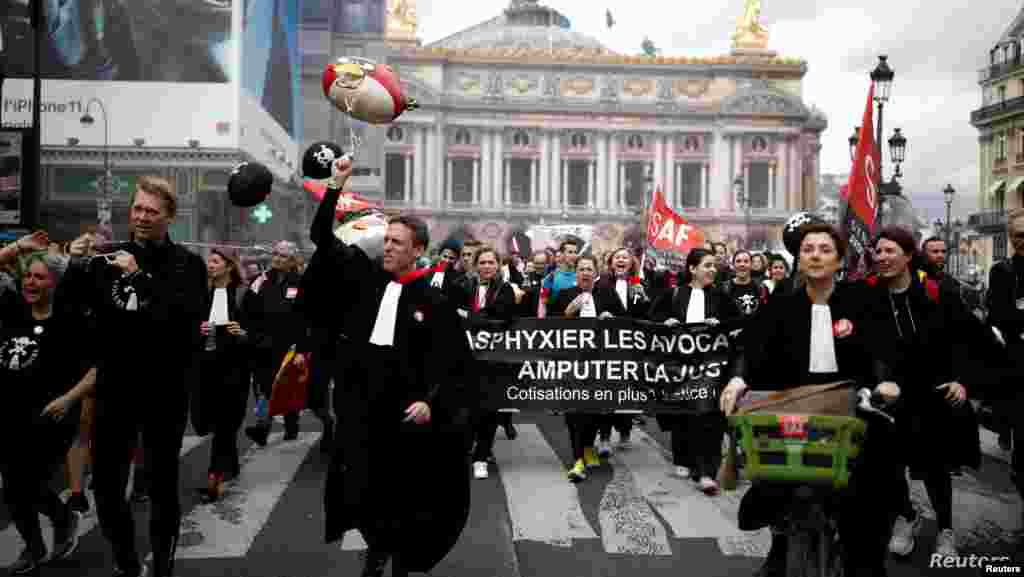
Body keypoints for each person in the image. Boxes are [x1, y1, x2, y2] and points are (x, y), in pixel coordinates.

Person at [304, 157, 473, 577]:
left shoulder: (435, 303)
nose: (389, 247)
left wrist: (431, 403)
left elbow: (454, 365)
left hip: (406, 414)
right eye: (388, 240)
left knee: (404, 495)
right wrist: (336, 186)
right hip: (363, 409)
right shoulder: (363, 277)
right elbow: (322, 236)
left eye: (398, 242)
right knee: (363, 490)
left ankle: (396, 558)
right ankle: (377, 546)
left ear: (417, 250)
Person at [720, 223, 899, 577]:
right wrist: (738, 379)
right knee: (770, 472)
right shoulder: (781, 305)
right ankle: (780, 541)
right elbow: (752, 346)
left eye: (825, 249)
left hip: (851, 405)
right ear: (798, 259)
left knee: (879, 479)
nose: (815, 255)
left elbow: (883, 347)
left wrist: (886, 382)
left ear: (839, 260)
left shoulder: (862, 299)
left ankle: (864, 555)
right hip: (793, 407)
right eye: (808, 249)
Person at [65, 175, 208, 577]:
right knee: (108, 490)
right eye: (137, 208)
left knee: (162, 485)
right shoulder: (107, 259)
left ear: (170, 217)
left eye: (151, 211)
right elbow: (71, 314)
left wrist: (137, 277)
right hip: (116, 388)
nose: (142, 217)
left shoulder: (188, 265)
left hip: (165, 389)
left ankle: (162, 562)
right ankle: (127, 561)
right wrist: (76, 265)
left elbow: (179, 324)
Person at [0, 234, 91, 575]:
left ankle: (63, 517)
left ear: (54, 283)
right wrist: (14, 250)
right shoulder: (11, 307)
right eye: (26, 276)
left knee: (33, 485)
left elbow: (98, 369)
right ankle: (35, 549)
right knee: (12, 488)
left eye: (39, 277)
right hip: (10, 414)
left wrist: (68, 399)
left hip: (52, 416)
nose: (31, 282)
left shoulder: (70, 319)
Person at [648, 248, 740, 495]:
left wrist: (720, 325)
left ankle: (707, 472)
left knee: (709, 417)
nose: (713, 270)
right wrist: (664, 323)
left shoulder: (721, 297)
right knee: (683, 413)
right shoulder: (674, 294)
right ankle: (682, 459)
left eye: (714, 266)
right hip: (679, 369)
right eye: (707, 265)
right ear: (692, 269)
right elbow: (652, 320)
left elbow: (737, 325)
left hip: (711, 370)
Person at [196, 249, 251, 501]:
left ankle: (214, 478)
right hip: (206, 368)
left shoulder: (243, 295)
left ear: (228, 267)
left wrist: (243, 334)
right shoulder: (201, 295)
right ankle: (231, 465)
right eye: (209, 261)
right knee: (211, 421)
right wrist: (198, 328)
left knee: (225, 423)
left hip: (234, 370)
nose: (210, 265)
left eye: (216, 261)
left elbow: (261, 332)